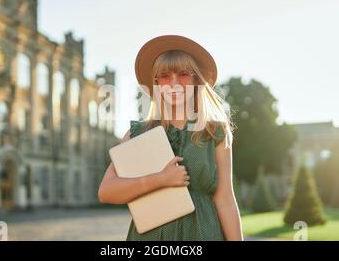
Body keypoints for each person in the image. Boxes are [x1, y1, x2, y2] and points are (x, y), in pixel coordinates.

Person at [98, 35, 243, 241]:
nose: (173, 83)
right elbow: (107, 192)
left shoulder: (214, 133)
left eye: (183, 74)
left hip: (202, 234)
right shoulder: (138, 134)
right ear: (156, 83)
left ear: (196, 80)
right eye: (165, 76)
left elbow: (225, 199)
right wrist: (160, 179)